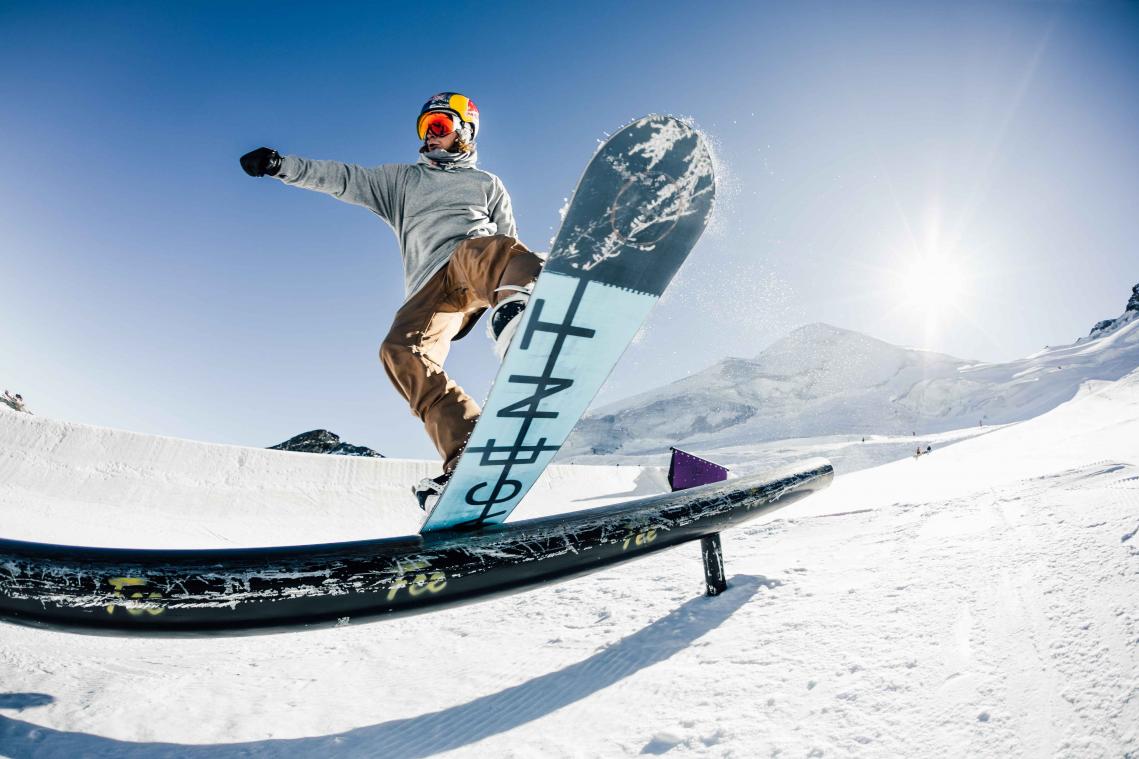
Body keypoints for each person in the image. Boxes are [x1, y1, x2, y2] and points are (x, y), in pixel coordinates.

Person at [240, 92, 543, 508]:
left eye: (439, 126)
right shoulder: (402, 181)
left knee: (482, 249)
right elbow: (345, 178)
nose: (430, 136)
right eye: (424, 129)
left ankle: (528, 309)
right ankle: (467, 456)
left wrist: (514, 291)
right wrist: (282, 167)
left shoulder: (488, 184)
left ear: (465, 132)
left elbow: (507, 241)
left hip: (474, 267)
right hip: (429, 290)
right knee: (399, 351)